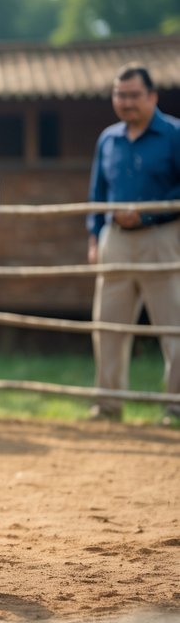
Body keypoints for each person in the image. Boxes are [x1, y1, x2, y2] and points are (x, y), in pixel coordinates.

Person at [86, 63, 180, 427]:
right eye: (119, 95)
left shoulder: (174, 134)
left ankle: (175, 406)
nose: (125, 102)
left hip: (163, 239)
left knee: (173, 327)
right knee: (107, 326)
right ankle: (108, 405)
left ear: (152, 96)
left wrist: (148, 215)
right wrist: (95, 236)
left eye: (133, 95)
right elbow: (97, 193)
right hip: (116, 241)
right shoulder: (108, 139)